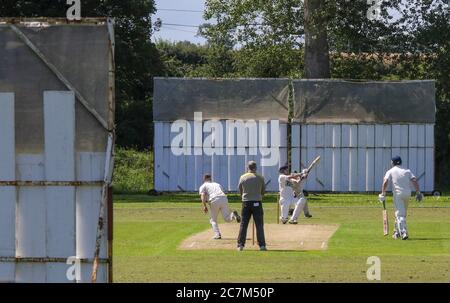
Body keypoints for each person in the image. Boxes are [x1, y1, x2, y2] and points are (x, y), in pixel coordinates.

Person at [379, 156, 423, 240]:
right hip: (407, 194)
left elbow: (385, 181)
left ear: (392, 162)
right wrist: (418, 192)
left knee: (400, 214)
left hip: (398, 194)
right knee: (401, 213)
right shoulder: (407, 170)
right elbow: (414, 180)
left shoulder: (391, 171)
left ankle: (403, 232)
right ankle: (396, 232)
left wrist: (383, 193)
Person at [199, 174, 241, 239]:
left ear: (204, 179)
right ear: (210, 179)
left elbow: (203, 195)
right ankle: (233, 215)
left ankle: (217, 234)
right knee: (227, 218)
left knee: (213, 220)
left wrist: (204, 206)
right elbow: (222, 192)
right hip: (224, 198)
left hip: (214, 199)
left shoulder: (203, 185)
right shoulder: (217, 184)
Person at [237, 161, 267, 251]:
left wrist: (244, 195)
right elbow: (263, 192)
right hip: (257, 202)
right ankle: (262, 245)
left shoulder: (243, 177)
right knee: (259, 225)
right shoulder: (260, 177)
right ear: (256, 167)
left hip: (246, 202)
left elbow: (240, 189)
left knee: (243, 224)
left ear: (248, 167)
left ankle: (240, 245)